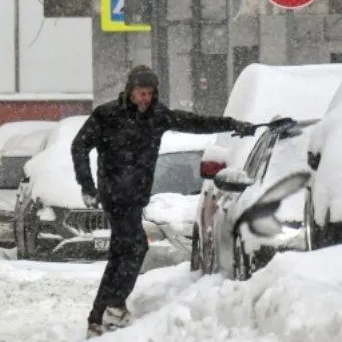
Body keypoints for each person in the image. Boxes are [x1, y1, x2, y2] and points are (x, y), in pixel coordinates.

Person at [71, 65, 256, 338]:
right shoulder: (107, 115)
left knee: (122, 253)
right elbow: (79, 146)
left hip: (136, 196)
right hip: (114, 194)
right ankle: (112, 307)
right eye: (140, 93)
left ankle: (101, 315)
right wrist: (87, 185)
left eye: (149, 93)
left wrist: (231, 125)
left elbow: (195, 122)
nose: (145, 99)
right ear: (130, 91)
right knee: (133, 248)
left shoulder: (158, 116)